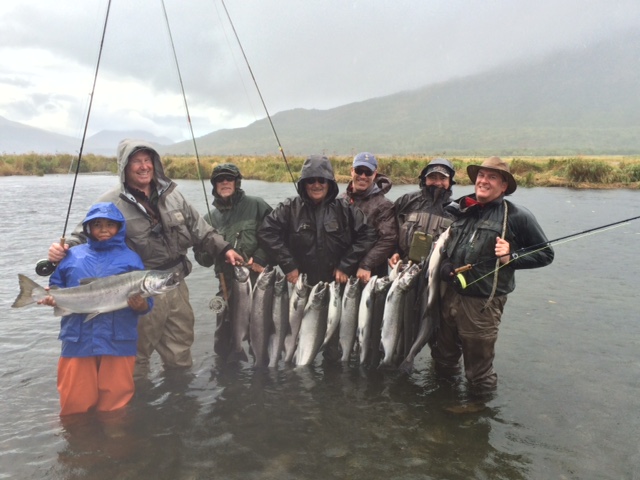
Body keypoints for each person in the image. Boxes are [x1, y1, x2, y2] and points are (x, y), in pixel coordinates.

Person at [47, 139, 244, 379]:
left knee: (180, 349)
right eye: (136, 161)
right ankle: (138, 405)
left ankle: (179, 401)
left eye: (147, 160)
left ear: (155, 164)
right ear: (124, 167)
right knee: (137, 355)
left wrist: (225, 250)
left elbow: (200, 229)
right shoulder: (109, 202)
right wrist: (62, 249)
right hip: (136, 290)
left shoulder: (174, 195)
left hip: (176, 284)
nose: (143, 166)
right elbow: (83, 236)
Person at [432, 156, 554, 394]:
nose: (483, 181)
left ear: (504, 185)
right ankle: (443, 407)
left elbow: (546, 254)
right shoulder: (463, 208)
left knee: (478, 372)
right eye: (481, 175)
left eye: (492, 177)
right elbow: (449, 247)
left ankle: (478, 416)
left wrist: (511, 257)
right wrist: (445, 266)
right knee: (443, 359)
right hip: (450, 297)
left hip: (482, 305)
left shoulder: (518, 216)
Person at [40, 202, 152, 416]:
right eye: (97, 224)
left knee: (116, 407)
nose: (103, 229)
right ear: (87, 228)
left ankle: (114, 445)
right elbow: (57, 285)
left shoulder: (131, 259)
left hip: (118, 341)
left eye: (110, 224)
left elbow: (148, 303)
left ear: (120, 227)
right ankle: (77, 445)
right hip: (78, 339)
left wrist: (143, 305)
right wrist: (51, 296)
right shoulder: (71, 256)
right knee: (75, 405)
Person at [258, 154, 378, 286]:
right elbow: (266, 232)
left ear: (329, 183)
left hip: (337, 286)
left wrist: (345, 265)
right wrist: (288, 264)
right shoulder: (289, 207)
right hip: (301, 284)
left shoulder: (345, 208)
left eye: (322, 180)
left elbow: (368, 235)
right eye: (311, 181)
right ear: (304, 183)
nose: (316, 185)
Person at [193, 163, 273, 359]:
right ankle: (228, 379)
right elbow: (202, 260)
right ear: (214, 185)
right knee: (223, 341)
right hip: (226, 286)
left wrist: (261, 257)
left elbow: (276, 237)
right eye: (220, 180)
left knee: (262, 335)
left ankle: (263, 376)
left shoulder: (257, 205)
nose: (225, 182)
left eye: (229, 178)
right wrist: (210, 250)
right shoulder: (207, 219)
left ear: (237, 182)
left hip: (258, 284)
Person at [389, 157, 457, 267]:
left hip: (436, 273)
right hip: (404, 269)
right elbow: (390, 230)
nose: (438, 183)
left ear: (450, 182)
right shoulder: (406, 201)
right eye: (432, 177)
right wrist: (394, 252)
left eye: (443, 178)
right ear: (424, 179)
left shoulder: (456, 210)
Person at [342, 152, 398, 283]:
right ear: (352, 171)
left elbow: (388, 239)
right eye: (359, 171)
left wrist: (366, 265)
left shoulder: (385, 205)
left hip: (370, 274)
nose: (363, 176)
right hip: (342, 271)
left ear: (375, 174)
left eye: (368, 172)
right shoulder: (341, 199)